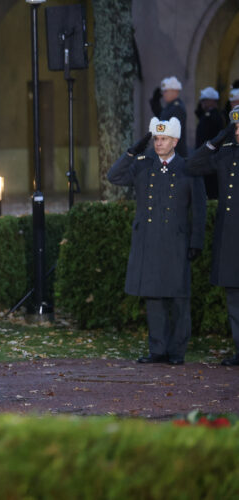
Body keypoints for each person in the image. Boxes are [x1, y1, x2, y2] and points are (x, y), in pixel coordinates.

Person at [108, 117, 206, 365]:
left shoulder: (188, 167)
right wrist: (134, 150)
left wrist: (196, 242)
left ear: (175, 141)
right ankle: (158, 349)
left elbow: (199, 210)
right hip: (148, 241)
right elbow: (114, 176)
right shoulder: (143, 164)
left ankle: (177, 352)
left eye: (163, 139)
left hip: (176, 243)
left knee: (178, 299)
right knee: (154, 299)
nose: (159, 143)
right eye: (155, 139)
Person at [186, 107, 239, 366]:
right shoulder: (225, 153)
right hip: (229, 239)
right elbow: (192, 165)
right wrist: (217, 140)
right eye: (236, 128)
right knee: (234, 300)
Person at [194, 87, 224, 199]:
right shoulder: (207, 115)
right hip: (205, 158)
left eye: (205, 100)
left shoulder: (214, 116)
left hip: (210, 158)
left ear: (212, 101)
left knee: (211, 189)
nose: (202, 103)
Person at [149, 76, 188, 157]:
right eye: (163, 91)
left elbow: (174, 133)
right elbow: (161, 116)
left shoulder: (177, 108)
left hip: (175, 153)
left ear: (175, 91)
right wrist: (155, 102)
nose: (163, 94)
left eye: (166, 91)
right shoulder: (170, 106)